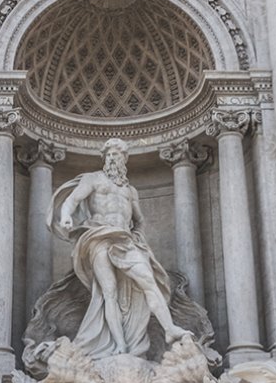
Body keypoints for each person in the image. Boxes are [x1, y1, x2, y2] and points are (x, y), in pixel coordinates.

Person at [48, 138, 190, 359]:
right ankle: (120, 346)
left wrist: (137, 237)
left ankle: (170, 329)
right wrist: (66, 216)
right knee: (109, 292)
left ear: (125, 159)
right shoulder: (93, 179)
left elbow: (140, 220)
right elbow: (72, 200)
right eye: (109, 155)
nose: (113, 158)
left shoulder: (130, 191)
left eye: (117, 154)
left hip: (125, 239)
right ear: (104, 158)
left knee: (149, 281)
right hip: (98, 237)